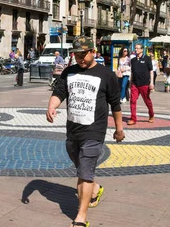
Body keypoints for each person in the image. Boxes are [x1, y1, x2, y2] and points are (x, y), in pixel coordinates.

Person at [46, 36, 124, 227]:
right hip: (73, 131)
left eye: (83, 54)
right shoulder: (69, 72)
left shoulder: (106, 75)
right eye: (76, 54)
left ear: (93, 52)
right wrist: (51, 106)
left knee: (84, 174)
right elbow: (59, 92)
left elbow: (115, 105)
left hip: (94, 131)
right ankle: (95, 189)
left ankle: (81, 216)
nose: (80, 58)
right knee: (82, 168)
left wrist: (119, 129)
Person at [128, 43, 155, 125]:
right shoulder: (133, 60)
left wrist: (151, 82)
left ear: (142, 49)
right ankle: (133, 119)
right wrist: (130, 81)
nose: (136, 50)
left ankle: (151, 115)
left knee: (147, 101)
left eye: (137, 48)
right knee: (132, 100)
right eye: (135, 48)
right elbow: (132, 72)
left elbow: (151, 71)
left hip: (144, 84)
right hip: (135, 84)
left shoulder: (147, 58)